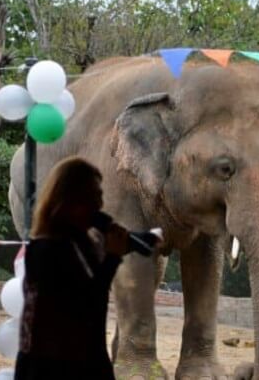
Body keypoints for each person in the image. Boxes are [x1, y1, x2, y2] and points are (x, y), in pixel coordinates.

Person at [15, 157, 156, 380]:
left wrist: (128, 244)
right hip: (53, 368)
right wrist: (112, 258)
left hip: (82, 362)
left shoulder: (77, 244)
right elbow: (85, 306)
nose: (99, 206)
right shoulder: (47, 250)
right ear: (68, 200)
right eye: (92, 197)